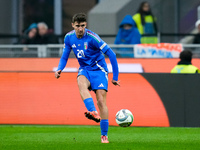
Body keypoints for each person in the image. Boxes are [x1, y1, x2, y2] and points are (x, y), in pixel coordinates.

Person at [55, 13, 120, 143]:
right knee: (80, 82)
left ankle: (104, 135)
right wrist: (59, 68)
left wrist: (115, 77)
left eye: (83, 26)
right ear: (73, 25)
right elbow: (65, 56)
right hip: (85, 69)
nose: (80, 29)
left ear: (86, 25)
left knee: (101, 101)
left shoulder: (93, 38)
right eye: (78, 26)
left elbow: (112, 55)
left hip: (99, 70)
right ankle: (93, 112)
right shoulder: (68, 38)